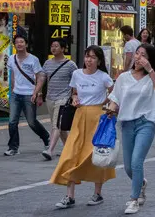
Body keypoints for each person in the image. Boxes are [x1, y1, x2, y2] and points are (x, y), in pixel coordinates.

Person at [51, 46, 115, 209]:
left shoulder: (104, 77)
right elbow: (74, 93)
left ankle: (97, 193)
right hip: (79, 117)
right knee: (71, 154)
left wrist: (107, 106)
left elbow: (114, 95)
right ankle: (69, 196)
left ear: (99, 61)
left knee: (95, 155)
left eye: (93, 57)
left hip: (97, 118)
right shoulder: (77, 74)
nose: (89, 60)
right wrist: (75, 99)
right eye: (87, 56)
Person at [107, 44, 155, 214]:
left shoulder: (152, 78)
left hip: (146, 122)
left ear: (149, 59)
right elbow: (115, 98)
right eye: (137, 54)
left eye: (143, 55)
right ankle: (141, 183)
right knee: (128, 167)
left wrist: (151, 71)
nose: (138, 57)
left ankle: (133, 199)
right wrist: (111, 109)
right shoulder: (124, 77)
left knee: (136, 161)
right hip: (127, 123)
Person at [5, 34, 50, 157]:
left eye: (22, 42)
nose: (19, 44)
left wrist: (37, 93)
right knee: (12, 121)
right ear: (14, 45)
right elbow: (13, 74)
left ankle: (46, 137)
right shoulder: (11, 59)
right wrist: (13, 89)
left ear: (26, 44)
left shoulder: (33, 59)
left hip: (29, 94)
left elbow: (40, 76)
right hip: (16, 94)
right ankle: (13, 147)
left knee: (31, 122)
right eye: (17, 42)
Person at [42, 40, 78, 160]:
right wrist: (38, 93)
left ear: (63, 49)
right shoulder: (47, 63)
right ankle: (70, 149)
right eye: (52, 46)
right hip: (50, 98)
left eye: (56, 46)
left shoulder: (70, 64)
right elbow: (43, 79)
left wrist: (74, 95)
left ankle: (50, 150)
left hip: (63, 99)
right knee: (60, 126)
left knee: (56, 125)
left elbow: (76, 81)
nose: (53, 48)